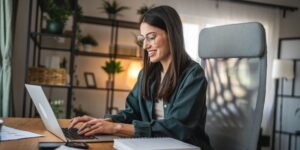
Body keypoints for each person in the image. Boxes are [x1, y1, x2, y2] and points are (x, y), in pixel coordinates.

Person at [68, 5, 212, 150]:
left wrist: (116, 128)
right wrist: (103, 121)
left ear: (172, 35)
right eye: (142, 39)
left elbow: (178, 127)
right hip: (151, 145)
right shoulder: (147, 74)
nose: (145, 46)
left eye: (151, 37)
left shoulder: (193, 75)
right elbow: (132, 113)